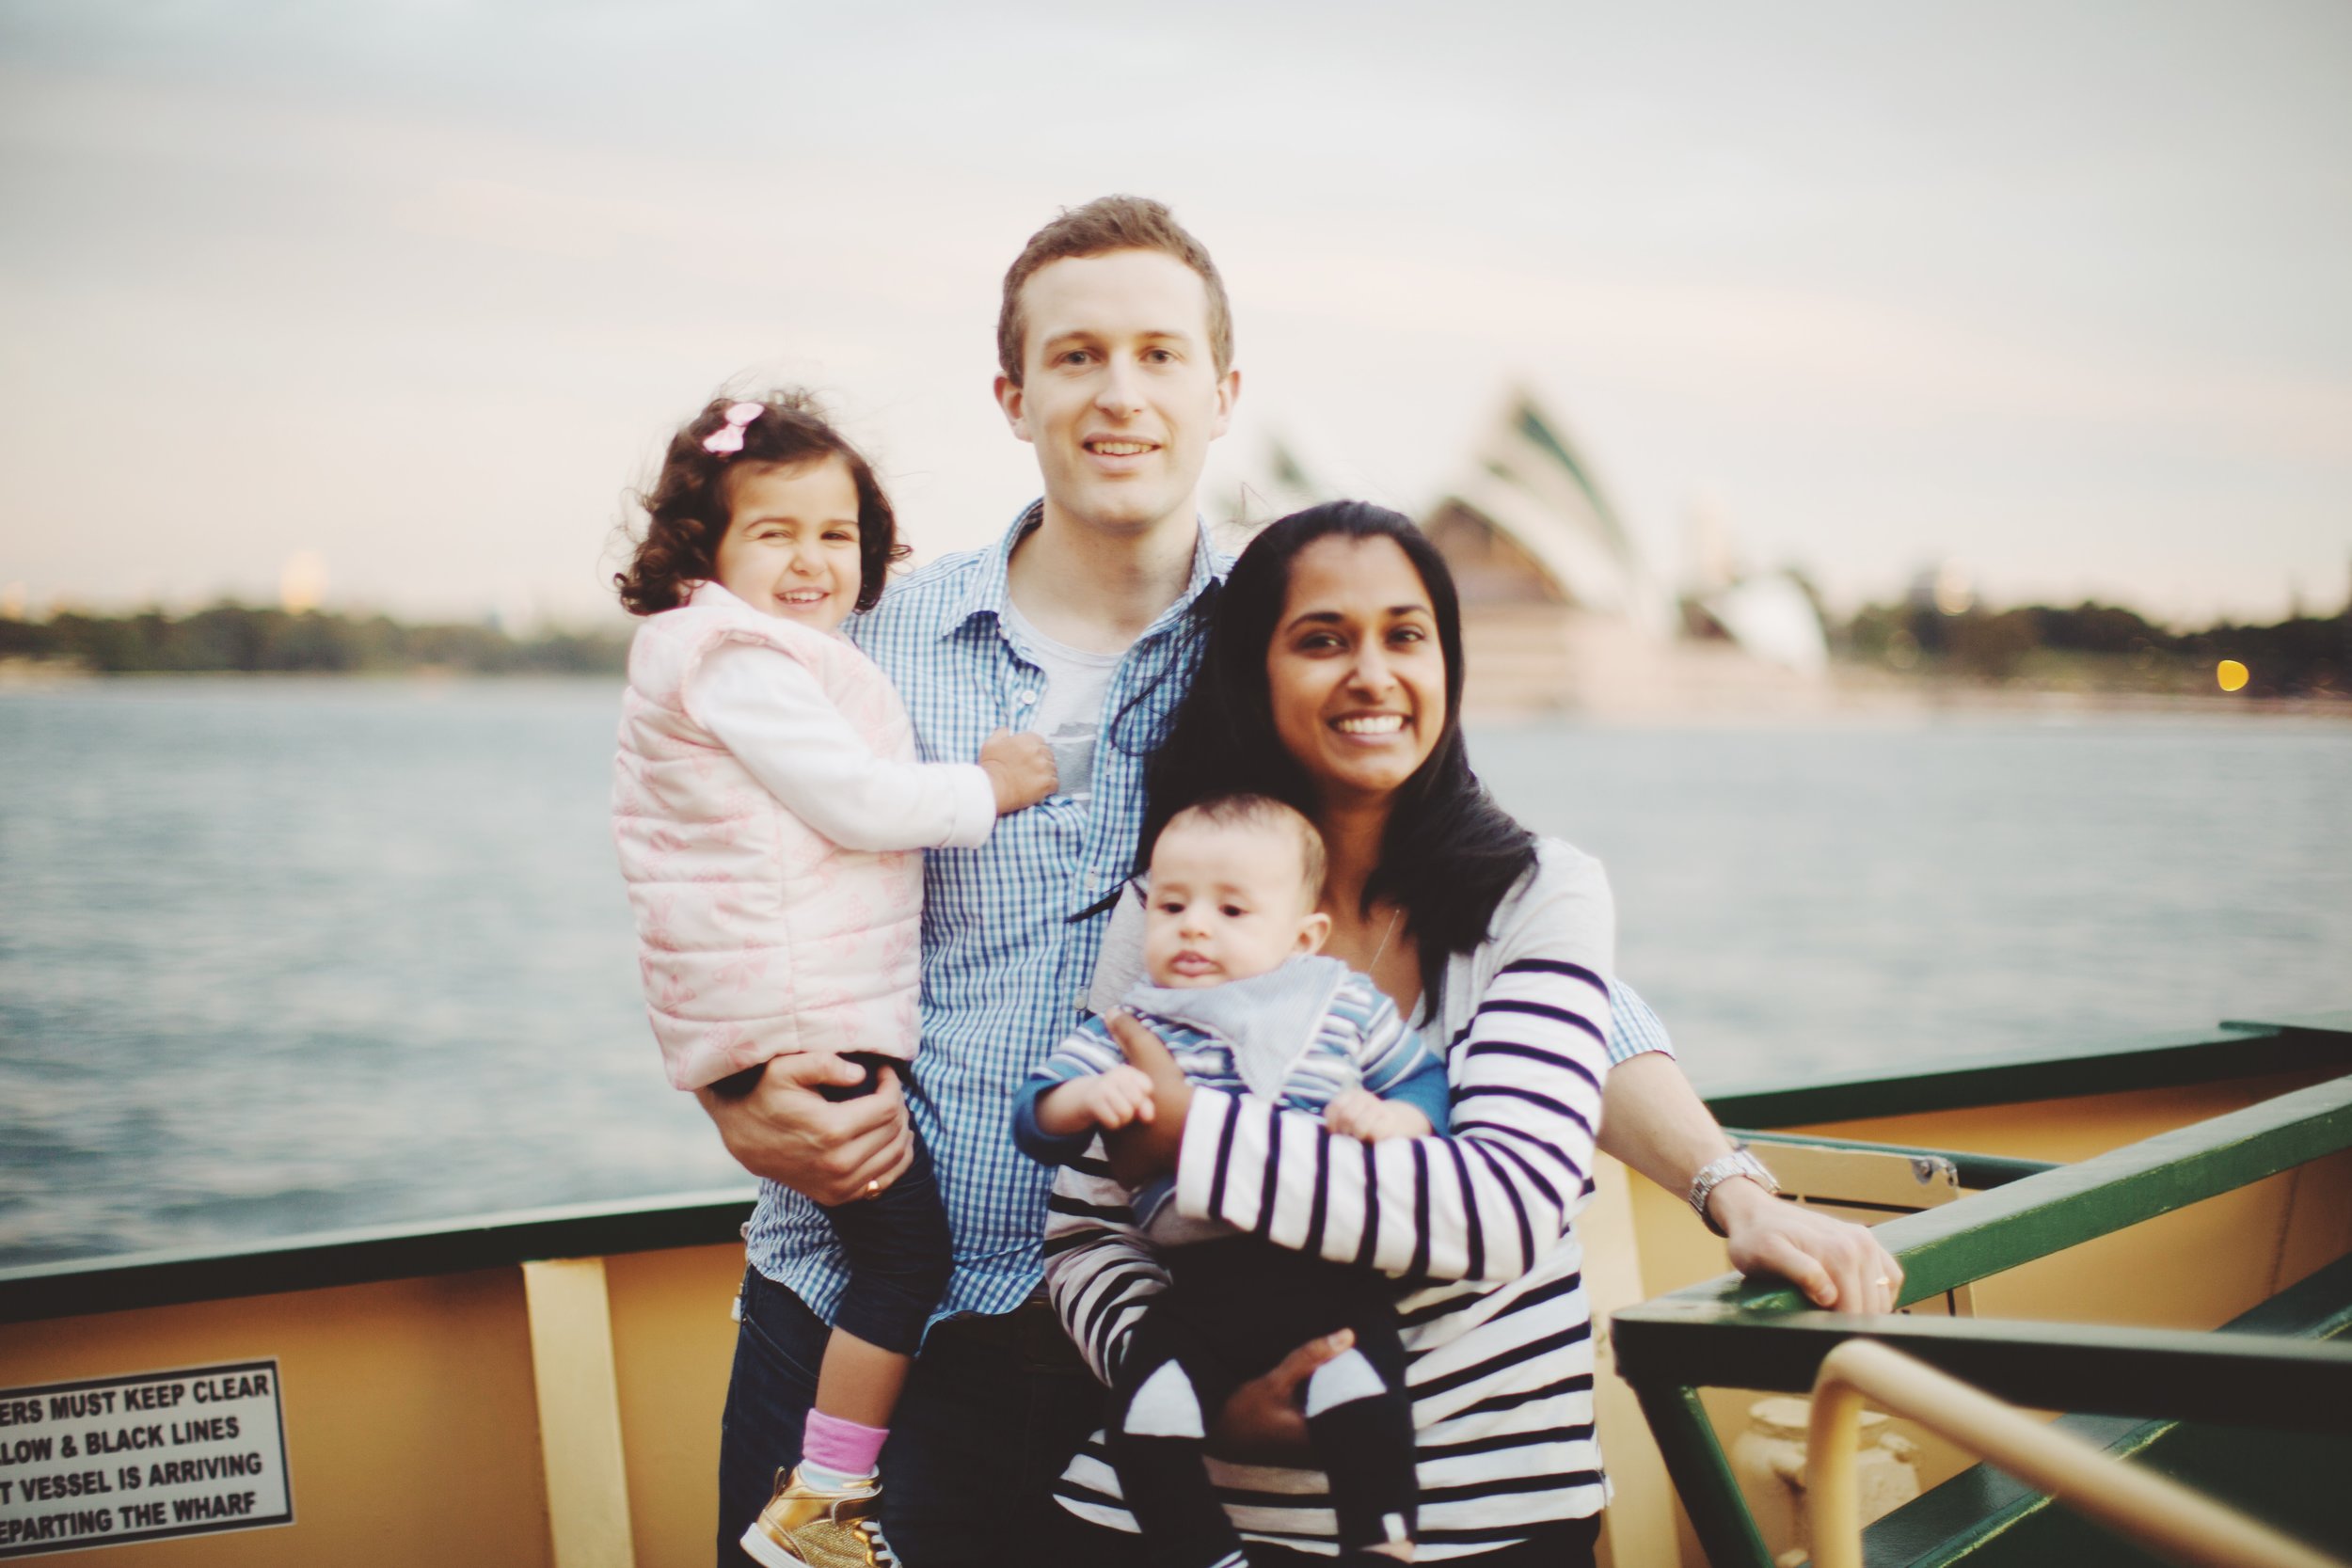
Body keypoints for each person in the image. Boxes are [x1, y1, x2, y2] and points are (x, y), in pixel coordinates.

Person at [691, 196, 1899, 1568]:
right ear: (1012, 393)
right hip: (874, 1313)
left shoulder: (1279, 647)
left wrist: (1729, 1181)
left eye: (1159, 354)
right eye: (1077, 357)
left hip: (1147, 1328)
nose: (1120, 395)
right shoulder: (867, 634)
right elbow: (715, 875)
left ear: (1225, 393)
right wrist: (735, 1082)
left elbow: (1524, 963)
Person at [1043, 501, 1905, 1565]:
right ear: (1251, 672)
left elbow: (1500, 1205)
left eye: (1405, 635)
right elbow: (1086, 1227)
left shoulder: (1535, 895)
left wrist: (1193, 1137)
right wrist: (1185, 1388)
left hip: (1468, 1507)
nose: (1371, 672)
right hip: (1165, 1509)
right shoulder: (1170, 905)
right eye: (1322, 639)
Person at [610, 390, 1058, 1567]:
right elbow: (855, 800)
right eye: (774, 532)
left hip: (790, 1004)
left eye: (836, 534)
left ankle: (824, 1491)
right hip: (801, 1018)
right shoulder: (736, 658)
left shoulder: (775, 650)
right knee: (908, 1255)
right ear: (704, 547)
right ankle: (824, 1496)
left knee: (895, 1248)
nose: (811, 560)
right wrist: (991, 784)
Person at [1013, 794, 1457, 1566]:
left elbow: (1423, 1079)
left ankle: (1383, 1540)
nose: (1194, 925)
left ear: (1303, 935)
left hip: (1327, 1276)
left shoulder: (1340, 1004)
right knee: (1146, 1417)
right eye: (1173, 904)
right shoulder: (1133, 1025)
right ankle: (1207, 1553)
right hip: (1198, 1290)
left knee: (1359, 1393)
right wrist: (1082, 1097)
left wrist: (1400, 1119)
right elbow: (1033, 1115)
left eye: (1231, 909)